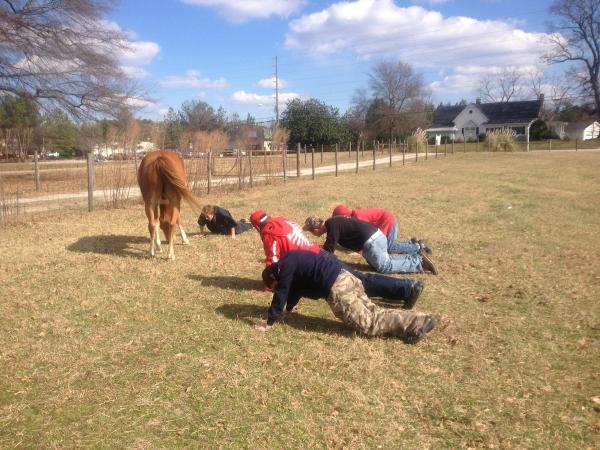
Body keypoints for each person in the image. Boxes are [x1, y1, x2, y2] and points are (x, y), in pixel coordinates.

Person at [255, 250, 436, 344]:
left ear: (273, 277)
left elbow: (283, 291)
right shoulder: (291, 259)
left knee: (368, 322)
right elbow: (297, 289)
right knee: (374, 311)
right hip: (348, 277)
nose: (275, 289)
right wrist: (288, 309)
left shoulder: (284, 267)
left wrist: (269, 322)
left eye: (273, 286)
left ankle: (417, 322)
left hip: (337, 287)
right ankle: (412, 322)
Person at [303, 215, 438, 275]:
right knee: (384, 261)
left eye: (310, 231)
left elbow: (328, 251)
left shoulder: (332, 225)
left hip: (371, 242)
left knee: (384, 267)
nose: (312, 234)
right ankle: (415, 255)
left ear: (315, 229)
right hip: (377, 237)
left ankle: (418, 262)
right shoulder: (334, 222)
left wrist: (313, 248)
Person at [332, 204, 431, 254]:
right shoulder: (354, 217)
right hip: (385, 222)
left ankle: (419, 247)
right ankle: (412, 243)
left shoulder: (358, 218)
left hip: (388, 222)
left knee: (387, 247)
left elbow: (364, 237)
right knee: (386, 244)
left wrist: (360, 251)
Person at [249, 210, 320, 266]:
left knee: (267, 275)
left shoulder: (270, 233)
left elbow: (272, 260)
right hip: (316, 255)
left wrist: (269, 280)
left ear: (257, 226)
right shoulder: (282, 220)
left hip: (304, 264)